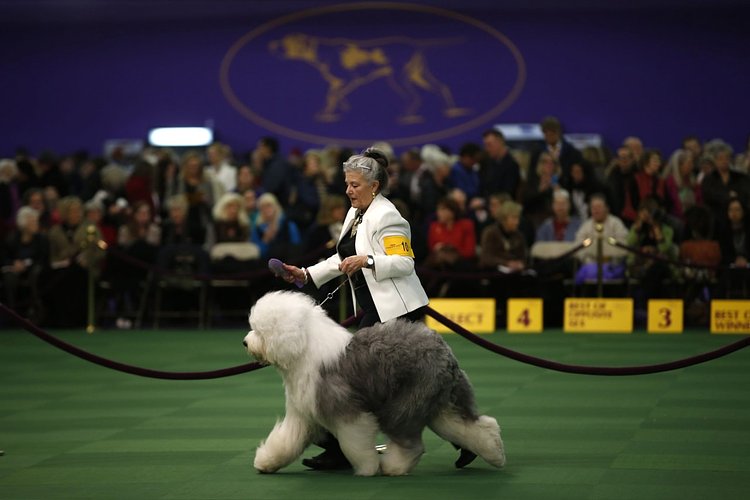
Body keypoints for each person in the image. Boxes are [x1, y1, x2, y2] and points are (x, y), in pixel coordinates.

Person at [280, 148, 459, 471]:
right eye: (347, 184)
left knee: (375, 385)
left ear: (374, 186)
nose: (348, 190)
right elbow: (343, 257)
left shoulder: (388, 216)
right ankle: (340, 450)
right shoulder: (356, 213)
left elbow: (404, 263)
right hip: (373, 312)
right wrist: (307, 274)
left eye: (355, 185)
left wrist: (369, 260)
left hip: (399, 314)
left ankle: (463, 434)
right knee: (372, 385)